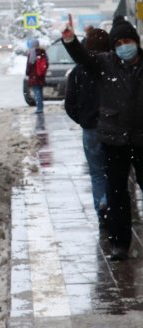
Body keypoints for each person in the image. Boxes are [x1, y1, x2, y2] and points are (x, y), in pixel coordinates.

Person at [61, 16, 143, 261]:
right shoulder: (106, 63)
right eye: (118, 43)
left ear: (136, 42)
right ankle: (119, 243)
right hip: (114, 138)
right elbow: (83, 59)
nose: (123, 47)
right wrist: (71, 41)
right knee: (117, 192)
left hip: (141, 138)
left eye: (127, 41)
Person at [64, 28, 111, 225]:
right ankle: (112, 203)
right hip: (113, 128)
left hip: (90, 130)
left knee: (97, 173)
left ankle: (102, 210)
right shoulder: (113, 67)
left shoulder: (77, 72)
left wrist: (84, 120)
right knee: (116, 171)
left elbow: (69, 104)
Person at [25, 39, 48, 114]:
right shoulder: (42, 52)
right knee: (40, 91)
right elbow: (47, 63)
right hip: (41, 75)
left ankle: (39, 108)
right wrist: (41, 71)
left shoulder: (32, 53)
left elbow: (29, 65)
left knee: (37, 92)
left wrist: (27, 73)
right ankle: (40, 107)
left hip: (34, 76)